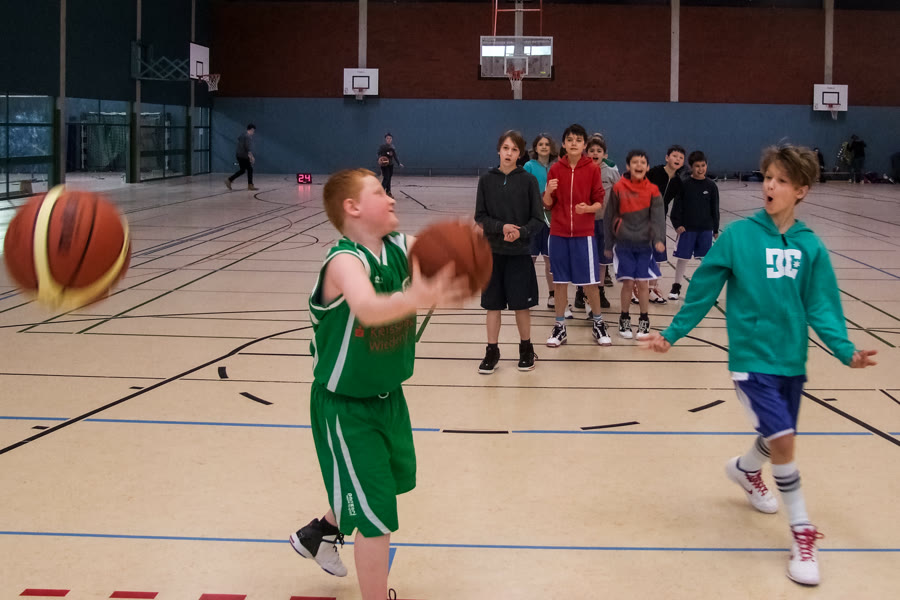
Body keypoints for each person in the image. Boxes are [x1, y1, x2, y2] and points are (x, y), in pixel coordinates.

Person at [643, 145, 878, 586]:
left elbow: (821, 305)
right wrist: (672, 333)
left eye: (782, 180)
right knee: (785, 439)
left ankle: (747, 469)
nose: (770, 185)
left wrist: (845, 350)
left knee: (776, 436)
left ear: (801, 191)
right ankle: (802, 533)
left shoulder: (810, 245)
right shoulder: (738, 237)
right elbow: (703, 289)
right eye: (768, 177)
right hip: (751, 360)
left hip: (791, 359)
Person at [288, 169, 469, 600]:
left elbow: (437, 253)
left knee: (383, 485)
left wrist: (467, 245)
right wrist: (417, 296)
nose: (391, 198)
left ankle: (320, 533)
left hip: (389, 398)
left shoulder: (399, 247)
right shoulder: (343, 261)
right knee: (377, 516)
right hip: (346, 407)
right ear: (352, 208)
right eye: (379, 192)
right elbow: (368, 308)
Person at [475, 130, 545, 373]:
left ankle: (526, 349)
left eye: (514, 149)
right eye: (505, 148)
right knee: (492, 305)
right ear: (499, 150)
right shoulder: (486, 180)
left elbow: (538, 220)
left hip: (519, 254)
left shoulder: (529, 181)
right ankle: (492, 351)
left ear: (520, 154)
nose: (509, 153)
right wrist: (500, 227)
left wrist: (521, 232)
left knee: (521, 305)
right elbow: (480, 217)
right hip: (492, 253)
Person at [543, 123, 611, 348]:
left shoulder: (592, 169)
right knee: (560, 282)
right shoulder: (555, 169)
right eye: (570, 140)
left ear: (584, 145)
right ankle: (559, 326)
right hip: (558, 233)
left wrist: (588, 209)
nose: (574, 143)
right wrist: (548, 192)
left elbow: (599, 201)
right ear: (564, 144)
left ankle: (598, 323)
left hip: (584, 235)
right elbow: (547, 204)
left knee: (591, 282)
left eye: (578, 140)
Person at [603, 150, 665, 340]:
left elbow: (658, 218)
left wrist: (659, 239)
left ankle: (644, 320)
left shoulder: (653, 190)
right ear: (628, 166)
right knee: (628, 283)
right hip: (624, 245)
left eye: (643, 162)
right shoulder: (618, 188)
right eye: (635, 162)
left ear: (647, 167)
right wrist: (608, 244)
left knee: (643, 283)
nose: (639, 165)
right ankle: (624, 318)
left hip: (644, 246)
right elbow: (609, 216)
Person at [668, 150, 719, 300]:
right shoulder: (684, 185)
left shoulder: (711, 186)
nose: (700, 169)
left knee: (706, 261)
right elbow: (676, 207)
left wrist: (715, 228)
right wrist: (677, 224)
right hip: (687, 229)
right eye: (697, 166)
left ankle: (707, 289)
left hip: (705, 229)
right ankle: (676, 286)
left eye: (703, 165)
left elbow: (715, 208)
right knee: (682, 258)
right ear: (691, 167)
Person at [645, 145, 686, 304]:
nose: (677, 159)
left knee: (658, 256)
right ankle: (637, 289)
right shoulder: (654, 173)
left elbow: (680, 205)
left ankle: (652, 288)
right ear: (667, 157)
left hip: (660, 220)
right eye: (674, 156)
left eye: (681, 158)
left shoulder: (678, 182)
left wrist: (679, 222)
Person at [523, 133, 557, 307]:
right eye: (540, 144)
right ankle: (526, 295)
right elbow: (523, 191)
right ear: (535, 148)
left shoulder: (557, 166)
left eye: (547, 144)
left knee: (550, 260)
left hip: (552, 219)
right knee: (531, 258)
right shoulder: (529, 166)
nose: (544, 147)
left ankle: (553, 295)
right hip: (534, 218)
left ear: (551, 147)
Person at [225, 124, 257, 191]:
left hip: (239, 155)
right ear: (251, 130)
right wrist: (252, 157)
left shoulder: (243, 135)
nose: (253, 133)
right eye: (253, 131)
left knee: (242, 170)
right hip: (243, 156)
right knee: (250, 169)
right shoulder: (247, 137)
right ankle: (250, 185)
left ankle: (229, 180)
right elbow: (247, 148)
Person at [377, 133, 404, 197]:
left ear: (392, 139)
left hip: (390, 165)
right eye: (387, 138)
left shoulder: (392, 147)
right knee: (386, 178)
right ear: (385, 139)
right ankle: (380, 193)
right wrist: (380, 159)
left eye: (390, 138)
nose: (389, 139)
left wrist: (399, 163)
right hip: (384, 165)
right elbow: (378, 154)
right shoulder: (383, 147)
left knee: (389, 178)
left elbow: (395, 156)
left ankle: (388, 192)